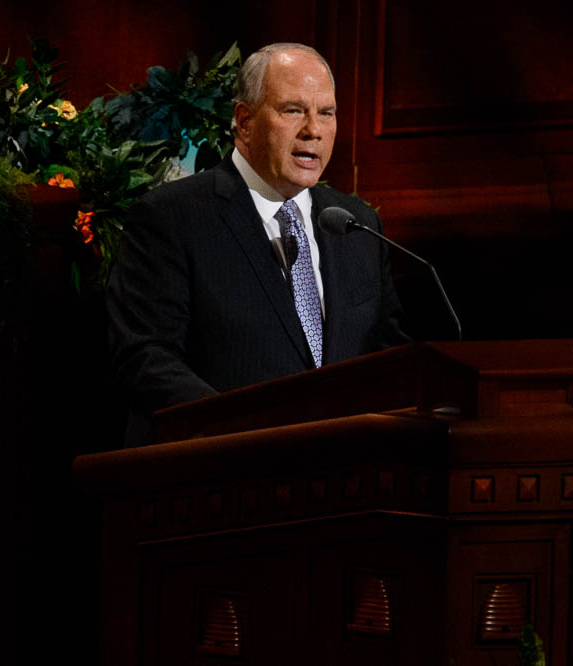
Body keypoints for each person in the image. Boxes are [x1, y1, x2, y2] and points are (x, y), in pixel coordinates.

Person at [107, 43, 409, 446]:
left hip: (342, 472)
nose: (313, 131)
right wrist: (244, 435)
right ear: (244, 121)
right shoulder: (172, 218)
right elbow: (146, 358)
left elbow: (387, 355)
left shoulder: (356, 226)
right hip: (221, 473)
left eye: (326, 113)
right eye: (293, 110)